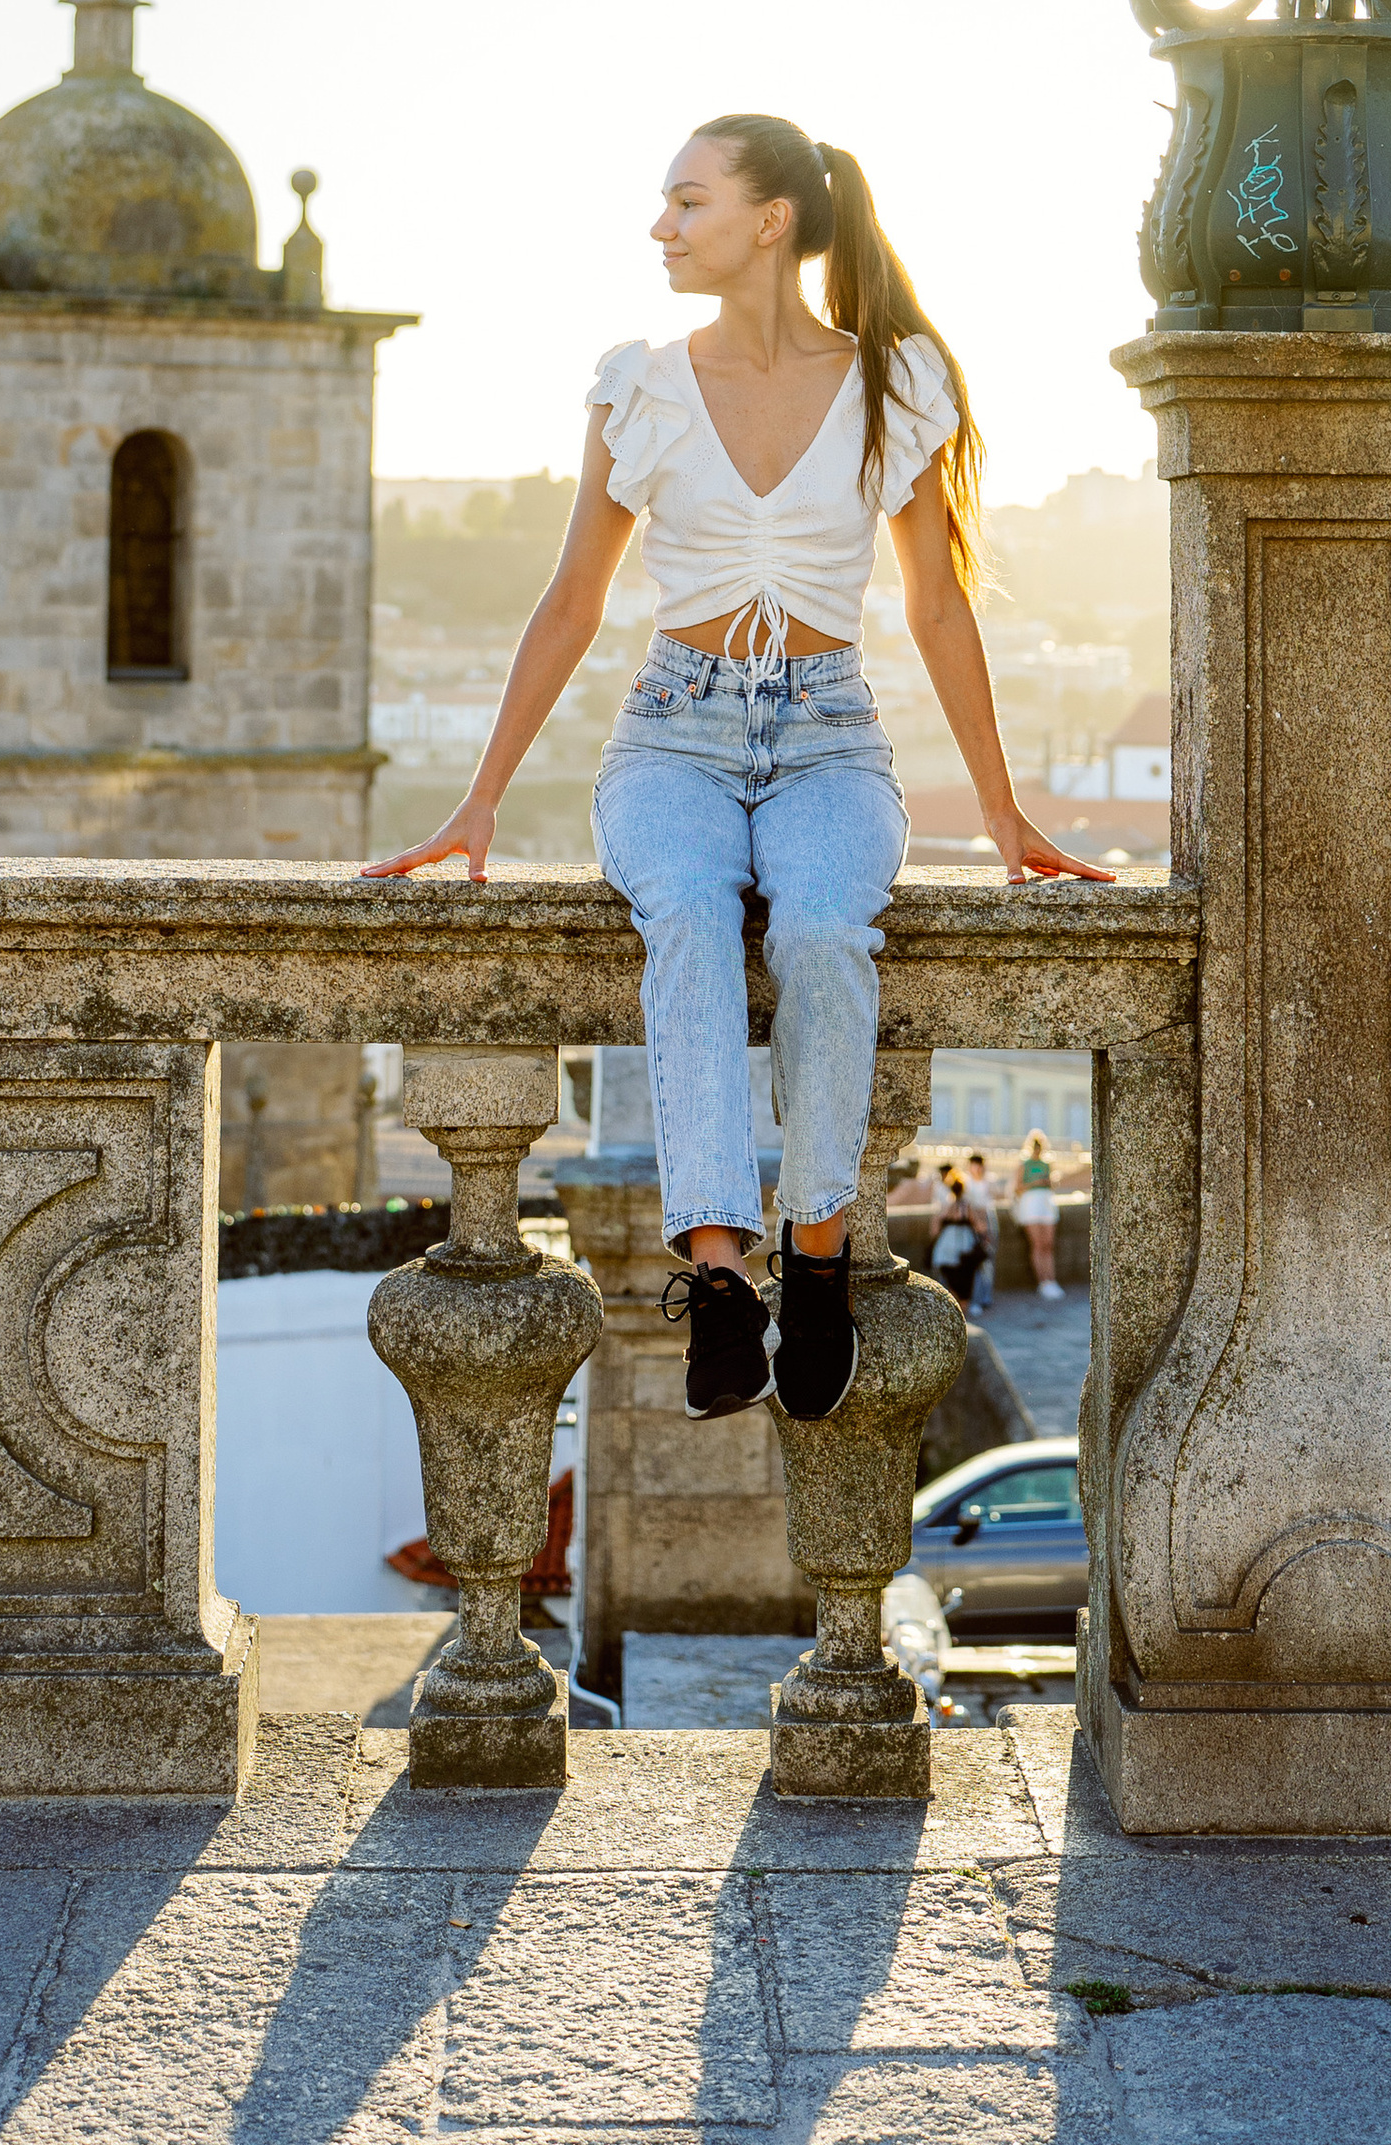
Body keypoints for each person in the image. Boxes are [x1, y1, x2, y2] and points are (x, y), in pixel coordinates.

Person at [363, 114, 1102, 1423]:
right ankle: (717, 1270)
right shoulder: (638, 383)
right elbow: (571, 600)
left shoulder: (897, 379)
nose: (661, 226)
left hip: (828, 736)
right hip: (673, 735)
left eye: (686, 202)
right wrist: (480, 796)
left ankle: (814, 1247)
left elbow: (938, 608)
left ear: (770, 222)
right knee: (690, 920)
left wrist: (1002, 812)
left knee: (825, 931)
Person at [1014, 1127, 1064, 1299]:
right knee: (1037, 1244)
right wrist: (1035, 1182)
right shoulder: (1024, 1164)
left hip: (1045, 1203)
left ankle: (1051, 1279)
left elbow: (1052, 1184)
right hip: (1031, 1205)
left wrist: (1048, 1181)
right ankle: (1043, 1281)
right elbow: (1018, 1187)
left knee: (1048, 1244)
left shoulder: (1047, 1164)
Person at [928, 1166, 984, 1309]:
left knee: (950, 1277)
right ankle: (964, 1307)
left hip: (947, 1245)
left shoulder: (947, 1206)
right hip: (965, 1244)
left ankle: (954, 1304)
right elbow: (979, 1226)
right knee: (965, 1278)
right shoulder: (966, 1206)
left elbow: (935, 1228)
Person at [962, 1151, 998, 1317]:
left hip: (988, 1222)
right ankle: (976, 1299)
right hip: (975, 1225)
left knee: (989, 1259)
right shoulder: (967, 1183)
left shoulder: (987, 1182)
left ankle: (985, 1296)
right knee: (976, 1261)